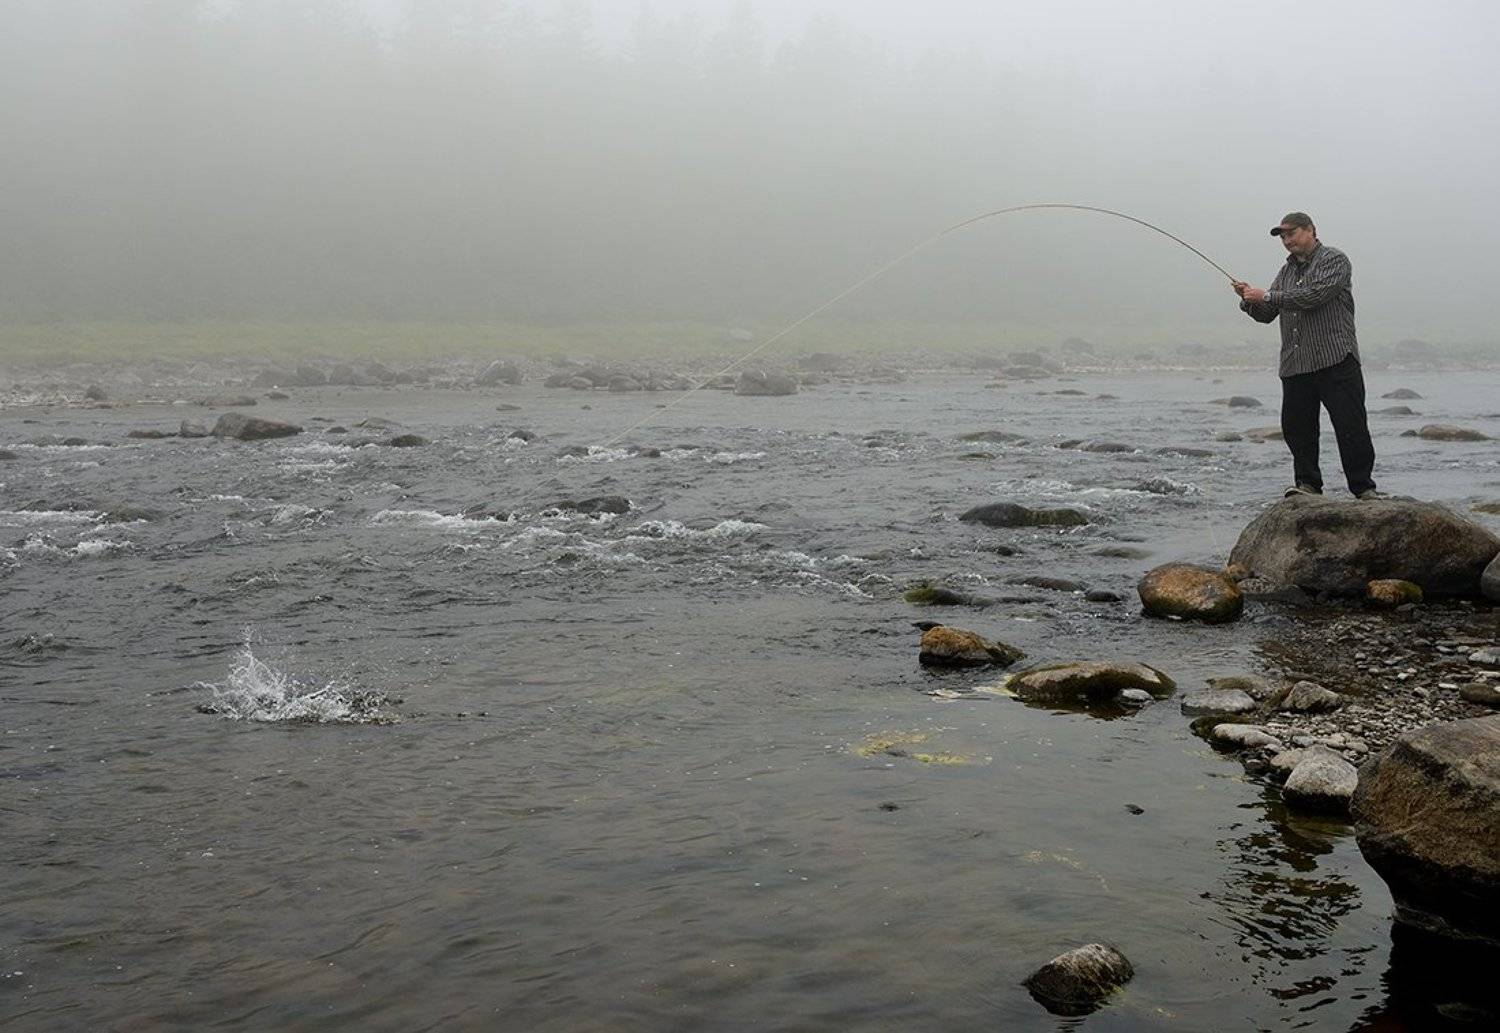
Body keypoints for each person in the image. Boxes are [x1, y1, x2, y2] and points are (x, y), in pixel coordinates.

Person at [1233, 211, 1380, 499]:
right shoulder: (1286, 271)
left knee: (1350, 426)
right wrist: (1247, 299)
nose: (1287, 240)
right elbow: (1267, 314)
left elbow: (1313, 296)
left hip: (1336, 359)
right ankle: (1308, 485)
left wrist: (1265, 295)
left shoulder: (1334, 260)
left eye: (1292, 233)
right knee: (1298, 430)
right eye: (1283, 236)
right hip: (1296, 364)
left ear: (1311, 230)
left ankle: (1364, 488)